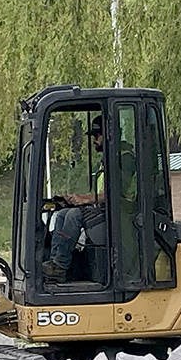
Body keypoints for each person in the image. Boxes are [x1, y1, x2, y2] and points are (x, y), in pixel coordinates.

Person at [42, 115, 136, 283]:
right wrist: (75, 198)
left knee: (74, 216)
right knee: (63, 213)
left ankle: (61, 266)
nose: (94, 139)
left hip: (121, 216)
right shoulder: (108, 158)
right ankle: (55, 262)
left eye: (97, 135)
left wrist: (85, 199)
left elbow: (116, 194)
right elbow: (102, 192)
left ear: (110, 133)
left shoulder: (125, 158)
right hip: (105, 210)